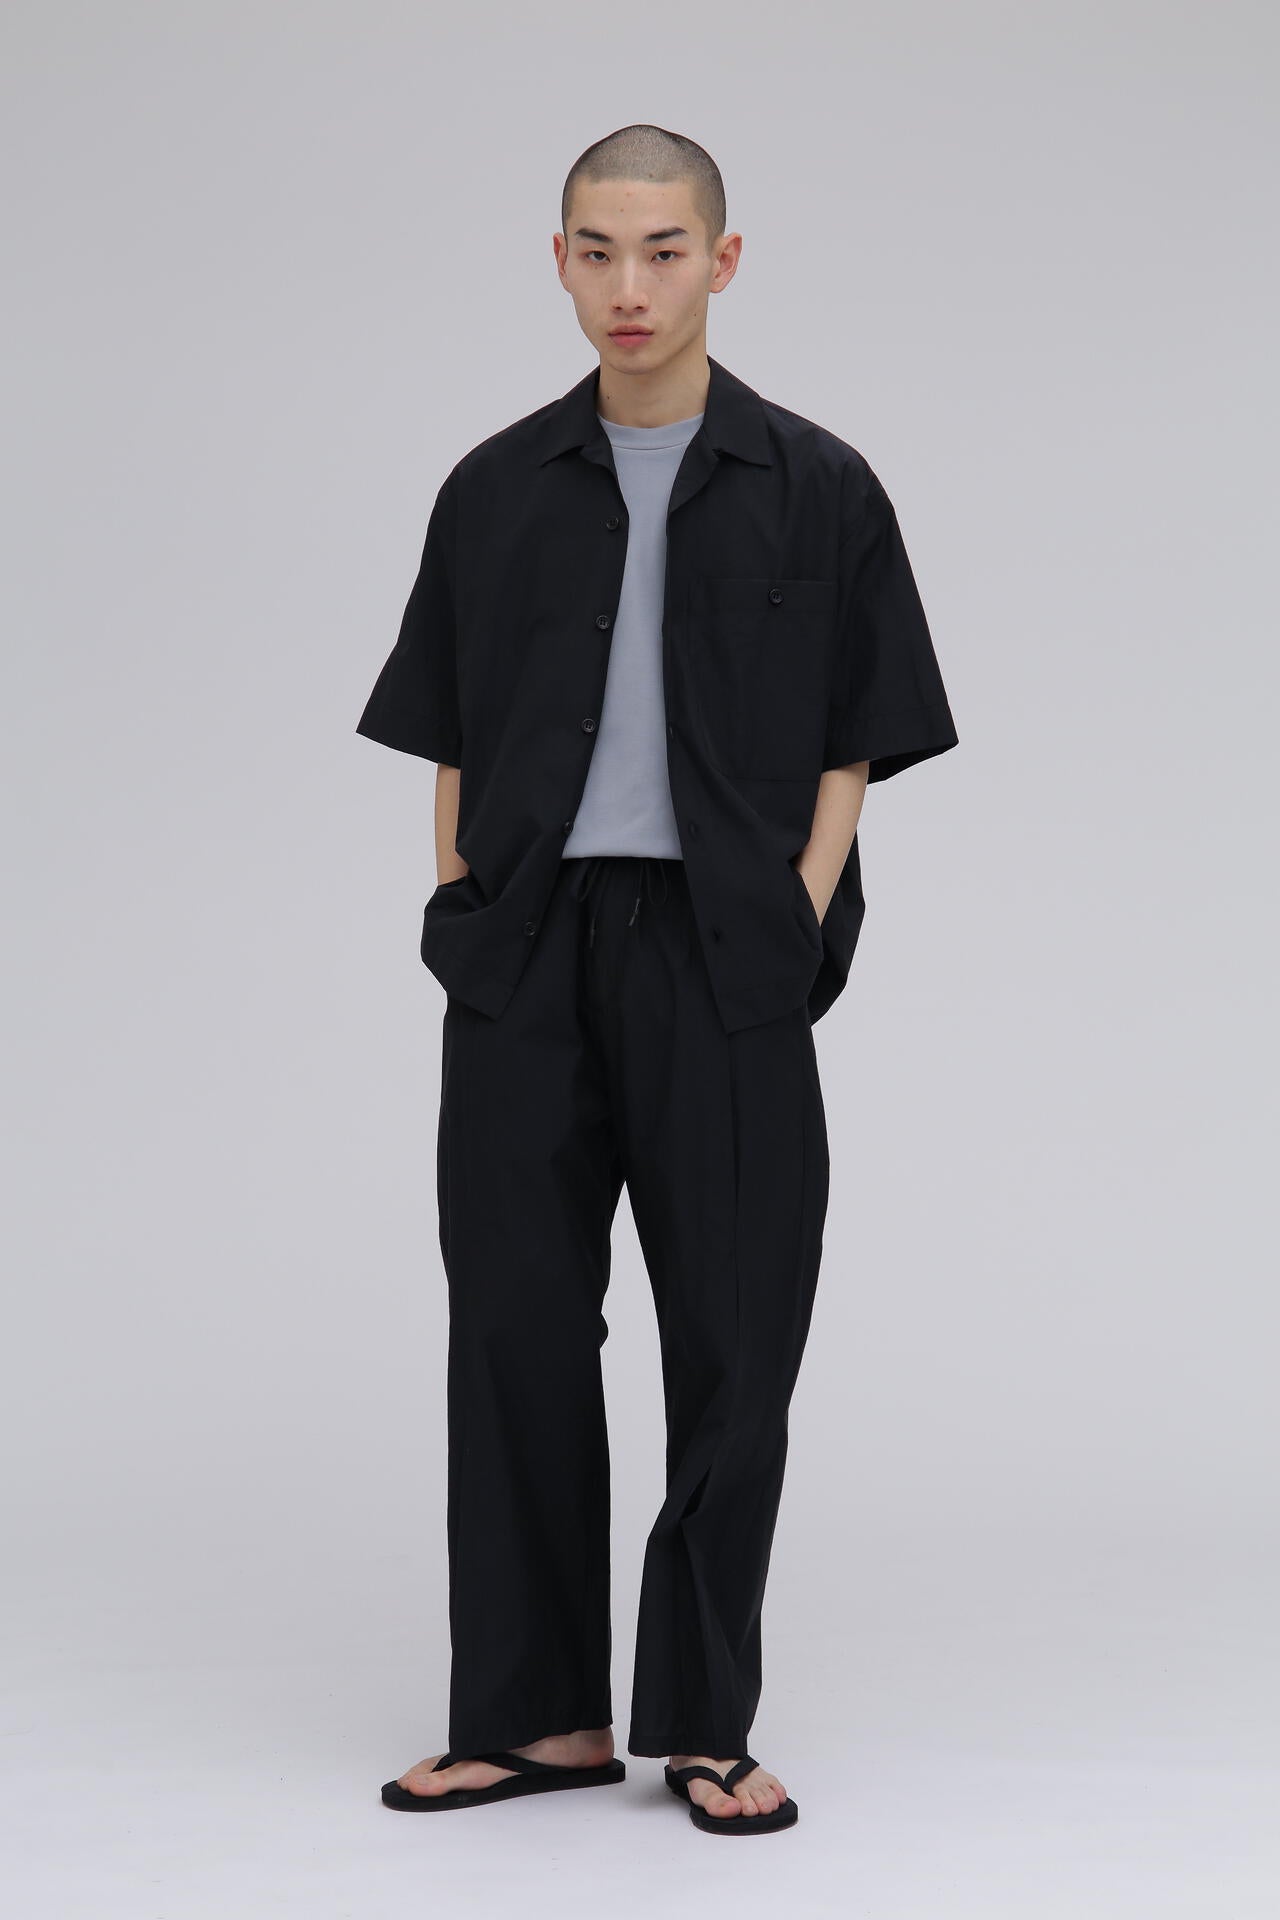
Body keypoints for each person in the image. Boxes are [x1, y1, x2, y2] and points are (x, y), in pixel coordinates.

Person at [360, 123, 958, 1835]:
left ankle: (702, 1721)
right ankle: (533, 1716)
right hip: (528, 954)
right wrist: (465, 895)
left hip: (724, 953)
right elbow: (451, 722)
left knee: (735, 1334)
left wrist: (795, 906)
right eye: (598, 250)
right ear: (559, 260)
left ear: (724, 259)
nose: (630, 286)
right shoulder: (493, 489)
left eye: (665, 250)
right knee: (516, 1326)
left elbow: (856, 737)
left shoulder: (819, 485)